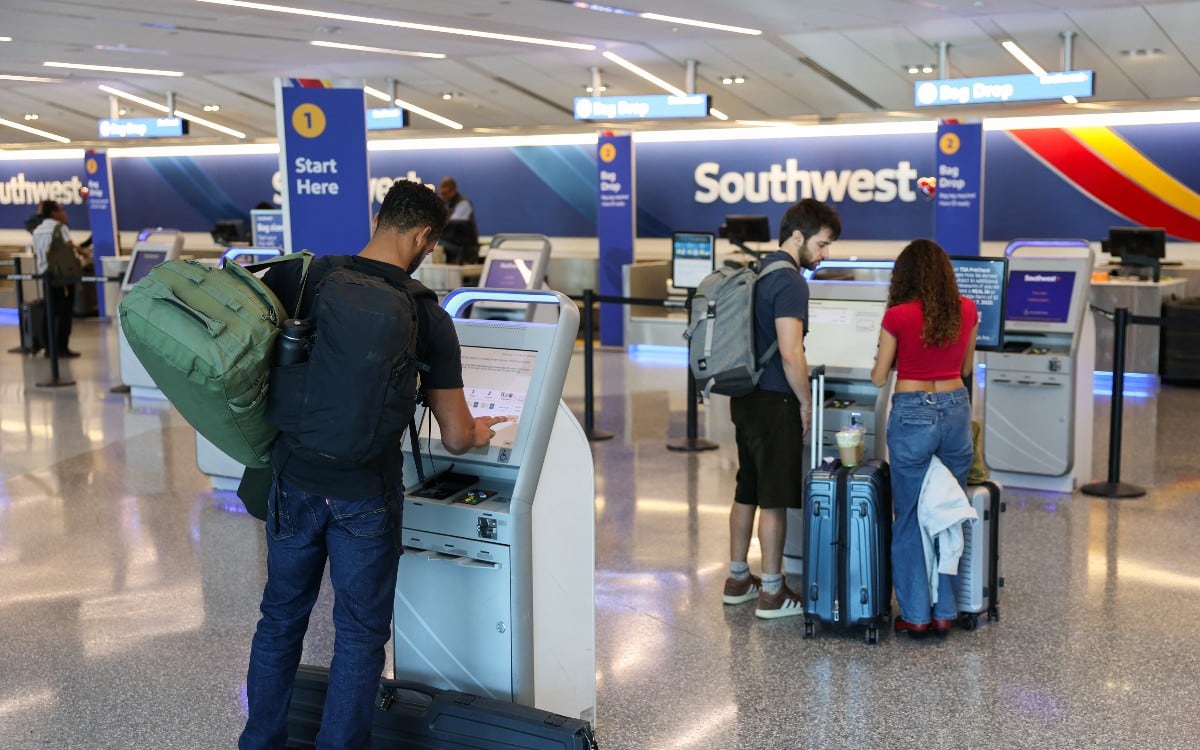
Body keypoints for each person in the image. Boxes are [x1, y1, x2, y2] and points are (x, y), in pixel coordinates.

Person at [239, 180, 503, 750]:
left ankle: (259, 742)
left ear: (380, 216)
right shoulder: (425, 314)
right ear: (426, 235)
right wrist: (479, 430)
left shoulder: (311, 280)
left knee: (280, 621)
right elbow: (456, 436)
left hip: (295, 478)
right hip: (365, 492)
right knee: (358, 637)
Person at [723, 198, 841, 619]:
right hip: (776, 401)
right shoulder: (791, 282)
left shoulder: (758, 272)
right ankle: (772, 592)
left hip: (747, 397)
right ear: (798, 236)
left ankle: (738, 579)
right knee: (773, 499)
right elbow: (792, 354)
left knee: (747, 489)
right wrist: (807, 403)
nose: (825, 255)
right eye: (822, 245)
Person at [870, 239, 979, 638]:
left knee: (911, 514)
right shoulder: (966, 310)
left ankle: (915, 613)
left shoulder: (897, 316)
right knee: (949, 507)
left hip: (913, 410)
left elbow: (880, 377)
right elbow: (966, 366)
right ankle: (945, 609)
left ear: (904, 276)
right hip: (955, 408)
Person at [29, 200, 88, 358]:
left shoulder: (37, 230)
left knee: (49, 311)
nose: (64, 213)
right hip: (63, 277)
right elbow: (70, 249)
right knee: (65, 313)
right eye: (61, 209)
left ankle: (49, 347)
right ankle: (62, 347)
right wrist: (82, 254)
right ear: (54, 213)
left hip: (46, 276)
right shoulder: (60, 228)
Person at [437, 176, 480, 264]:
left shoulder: (463, 204)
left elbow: (448, 225)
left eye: (444, 193)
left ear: (453, 190)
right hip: (455, 245)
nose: (442, 196)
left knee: (434, 242)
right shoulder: (450, 204)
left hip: (464, 250)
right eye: (441, 193)